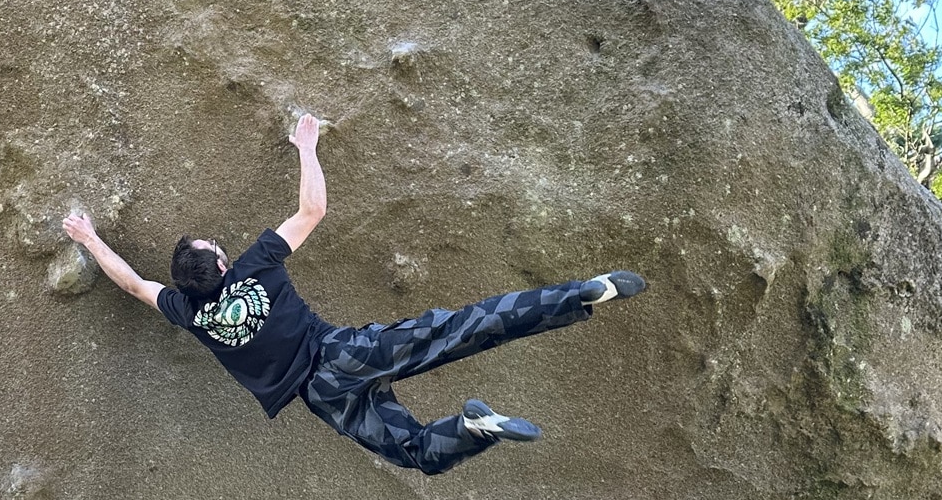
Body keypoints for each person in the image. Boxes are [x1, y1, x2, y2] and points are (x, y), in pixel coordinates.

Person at [61, 114, 644, 477]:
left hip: (321, 397)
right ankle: (581, 296)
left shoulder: (187, 313)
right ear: (220, 263)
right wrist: (306, 147)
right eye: (216, 245)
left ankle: (473, 430)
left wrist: (89, 240)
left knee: (416, 453)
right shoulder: (256, 263)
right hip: (343, 354)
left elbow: (133, 283)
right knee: (463, 328)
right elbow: (312, 210)